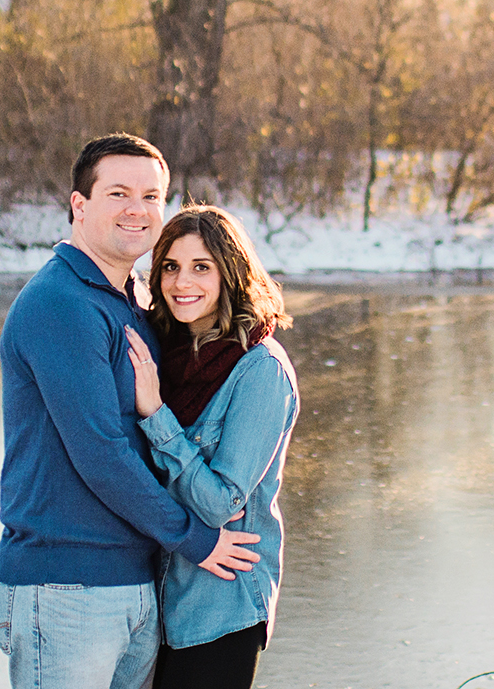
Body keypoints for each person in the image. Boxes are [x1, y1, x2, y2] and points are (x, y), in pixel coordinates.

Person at [0, 135, 261, 689]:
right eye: (118, 193)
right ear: (79, 206)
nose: (138, 209)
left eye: (152, 195)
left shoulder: (129, 300)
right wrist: (197, 540)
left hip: (130, 583)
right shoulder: (61, 303)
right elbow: (101, 454)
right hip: (64, 587)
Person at [123, 205, 299, 689]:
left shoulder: (261, 369)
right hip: (157, 600)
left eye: (202, 267)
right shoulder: (168, 350)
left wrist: (156, 415)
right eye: (171, 267)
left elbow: (220, 503)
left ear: (232, 273)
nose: (183, 282)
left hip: (220, 607)